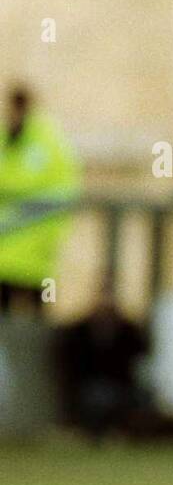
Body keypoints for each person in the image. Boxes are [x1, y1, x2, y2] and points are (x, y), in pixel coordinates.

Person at [0, 86, 82, 314]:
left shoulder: (49, 144)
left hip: (35, 256)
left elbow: (63, 194)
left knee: (36, 325)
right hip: (5, 256)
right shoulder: (5, 140)